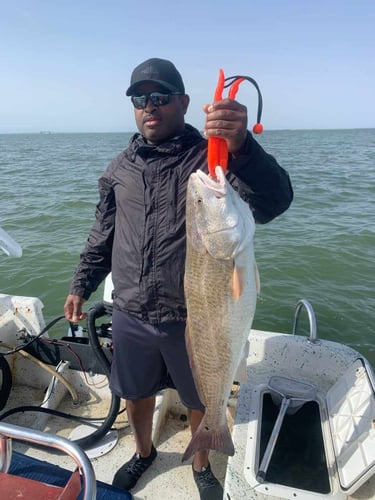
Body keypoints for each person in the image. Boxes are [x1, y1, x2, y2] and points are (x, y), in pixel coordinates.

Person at [64, 57, 293, 499]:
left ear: (184, 102)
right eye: (139, 99)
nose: (149, 106)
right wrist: (80, 283)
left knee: (200, 396)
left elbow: (272, 202)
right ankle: (145, 452)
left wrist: (241, 145)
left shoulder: (211, 159)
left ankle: (202, 457)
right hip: (129, 310)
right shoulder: (119, 168)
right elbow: (102, 235)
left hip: (194, 316)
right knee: (135, 391)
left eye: (160, 97)